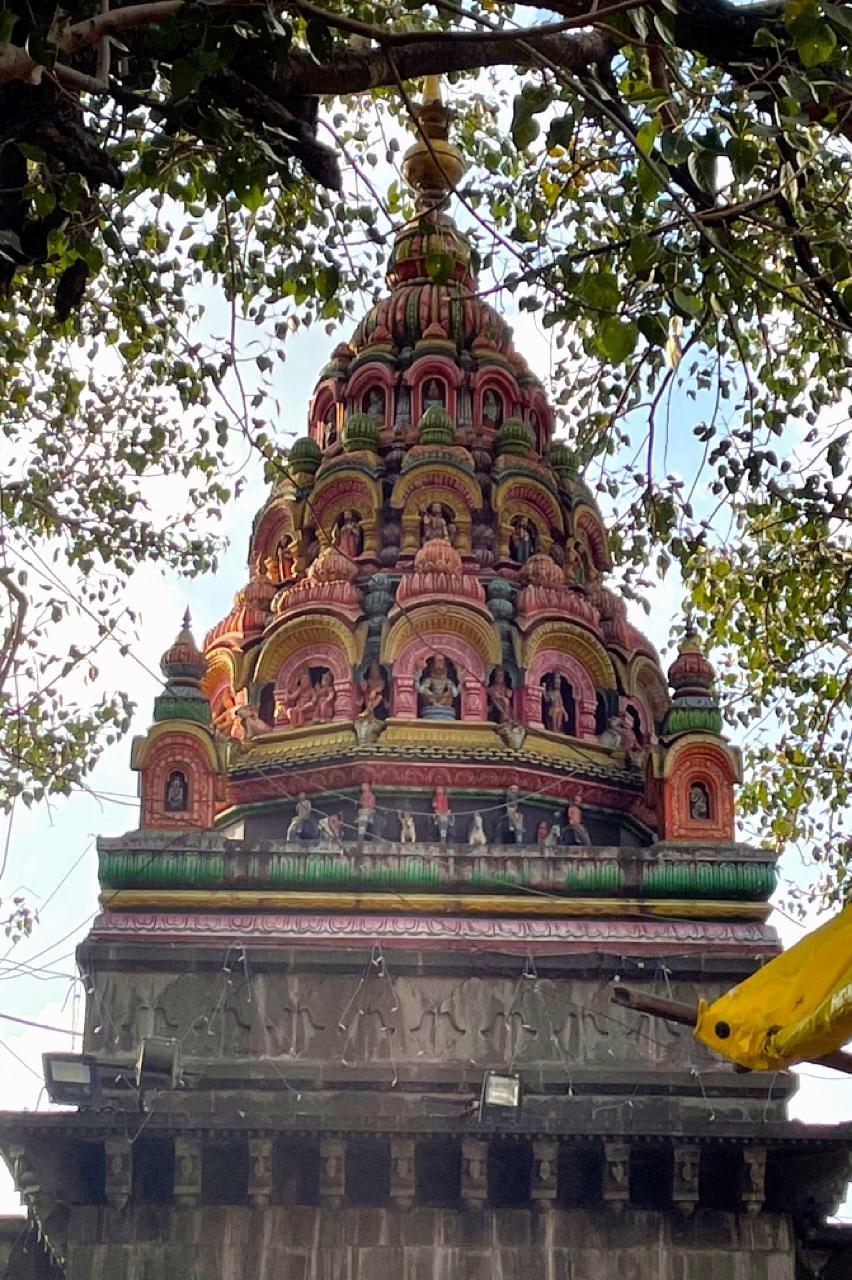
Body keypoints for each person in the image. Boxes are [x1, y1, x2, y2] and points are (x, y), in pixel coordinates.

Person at [416, 653, 459, 720]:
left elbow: (455, 693)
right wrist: (418, 674)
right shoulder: (429, 680)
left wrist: (451, 690)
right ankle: (436, 704)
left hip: (444, 701)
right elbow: (421, 689)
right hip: (432, 700)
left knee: (449, 693)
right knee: (426, 692)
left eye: (441, 662)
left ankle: (440, 705)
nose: (439, 665)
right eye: (437, 662)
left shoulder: (447, 681)